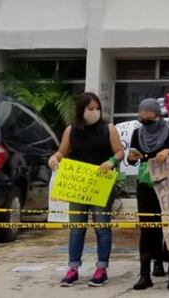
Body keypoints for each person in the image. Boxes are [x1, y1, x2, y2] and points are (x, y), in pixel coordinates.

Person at [49, 93, 125, 288]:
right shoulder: (71, 130)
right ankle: (73, 267)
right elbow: (62, 151)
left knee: (102, 226)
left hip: (101, 183)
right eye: (90, 108)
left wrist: (111, 161)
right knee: (76, 227)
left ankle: (102, 268)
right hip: (78, 183)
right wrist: (54, 158)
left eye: (97, 108)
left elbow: (119, 152)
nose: (94, 112)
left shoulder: (108, 128)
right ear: (81, 110)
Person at [128, 98, 169, 291]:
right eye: (142, 120)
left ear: (158, 116)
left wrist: (168, 151)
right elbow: (133, 157)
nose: (146, 123)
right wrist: (132, 157)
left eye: (150, 120)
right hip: (146, 185)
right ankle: (145, 273)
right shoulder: (138, 133)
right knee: (148, 228)